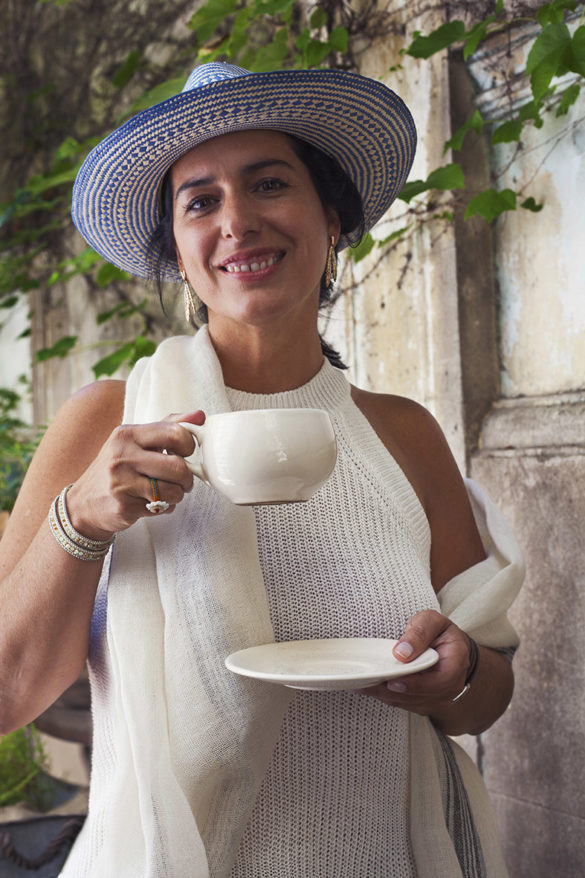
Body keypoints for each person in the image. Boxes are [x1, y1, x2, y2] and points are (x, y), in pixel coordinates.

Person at [0, 62, 524, 877]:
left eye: (268, 183)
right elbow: (8, 694)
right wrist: (82, 518)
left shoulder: (401, 433)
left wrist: (457, 667)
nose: (236, 221)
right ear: (175, 248)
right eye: (199, 201)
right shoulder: (109, 422)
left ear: (333, 216)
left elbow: (485, 695)